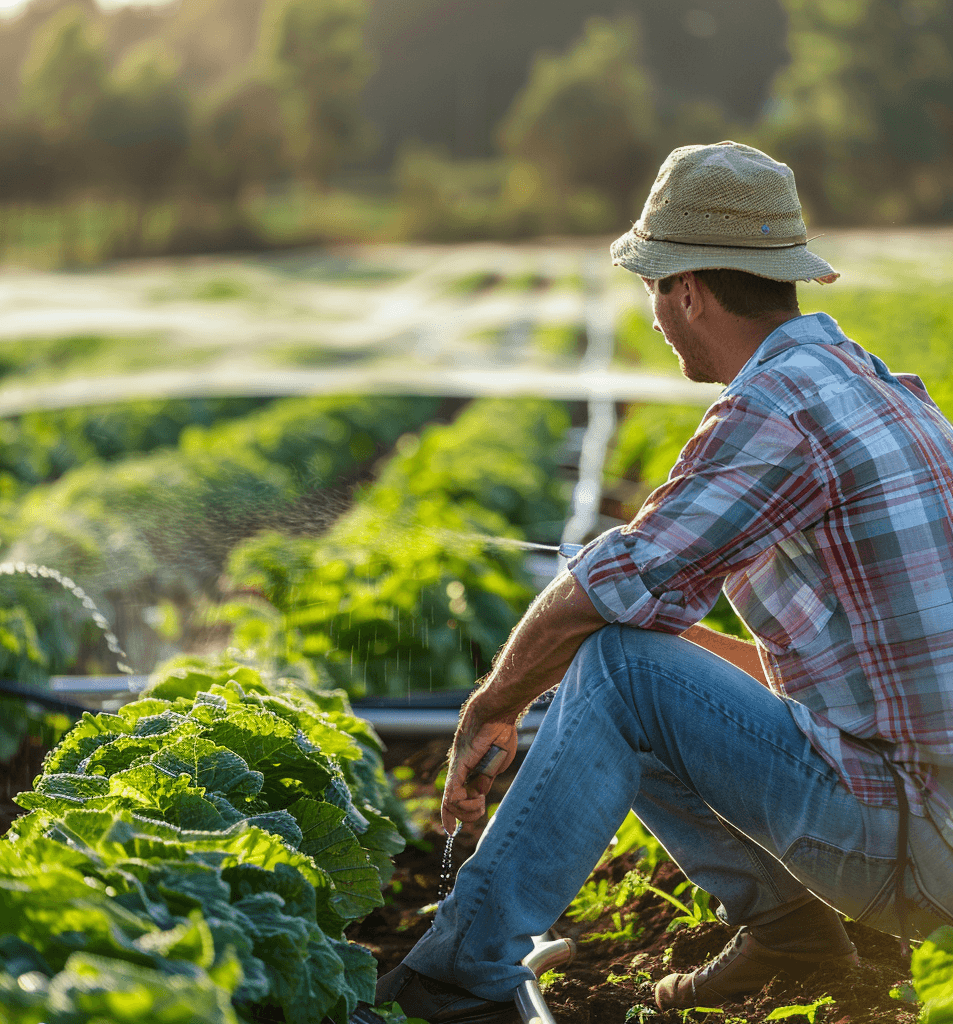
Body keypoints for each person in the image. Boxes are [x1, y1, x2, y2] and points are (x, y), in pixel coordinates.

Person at [375, 141, 953, 1023]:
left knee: (614, 662)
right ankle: (788, 935)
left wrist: (491, 706)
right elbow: (855, 678)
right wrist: (671, 649)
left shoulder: (778, 407)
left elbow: (603, 593)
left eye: (652, 286)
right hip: (932, 816)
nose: (652, 315)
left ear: (687, 289)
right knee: (642, 655)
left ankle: (455, 981)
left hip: (923, 849)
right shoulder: (881, 389)